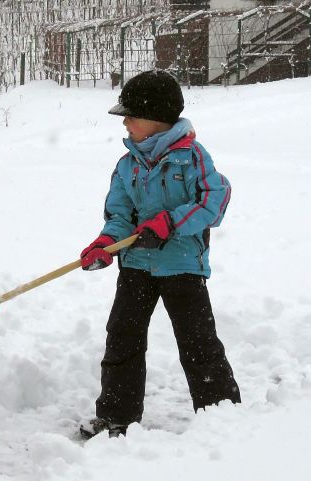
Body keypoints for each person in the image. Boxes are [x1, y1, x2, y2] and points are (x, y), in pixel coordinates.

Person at [79, 70, 241, 438]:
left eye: (131, 115)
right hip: (136, 264)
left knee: (198, 343)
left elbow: (215, 200)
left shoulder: (192, 157)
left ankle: (222, 416)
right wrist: (105, 243)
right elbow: (120, 216)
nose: (125, 121)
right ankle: (116, 416)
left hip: (182, 265)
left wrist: (170, 222)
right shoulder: (127, 165)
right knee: (122, 338)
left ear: (157, 119)